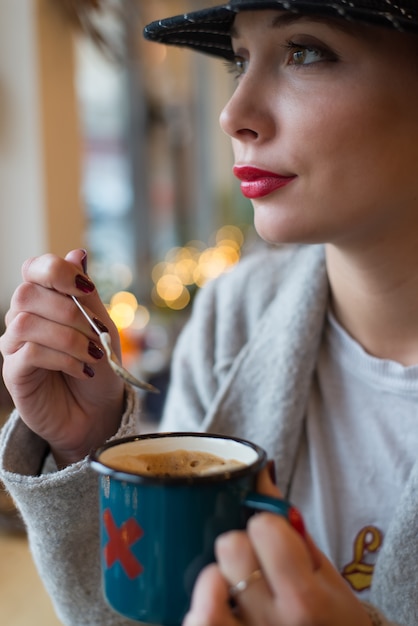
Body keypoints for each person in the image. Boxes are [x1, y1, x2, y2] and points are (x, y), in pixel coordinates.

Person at [1, 0, 418, 624]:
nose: (233, 114)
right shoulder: (236, 315)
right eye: (240, 61)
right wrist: (91, 449)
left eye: (304, 51)